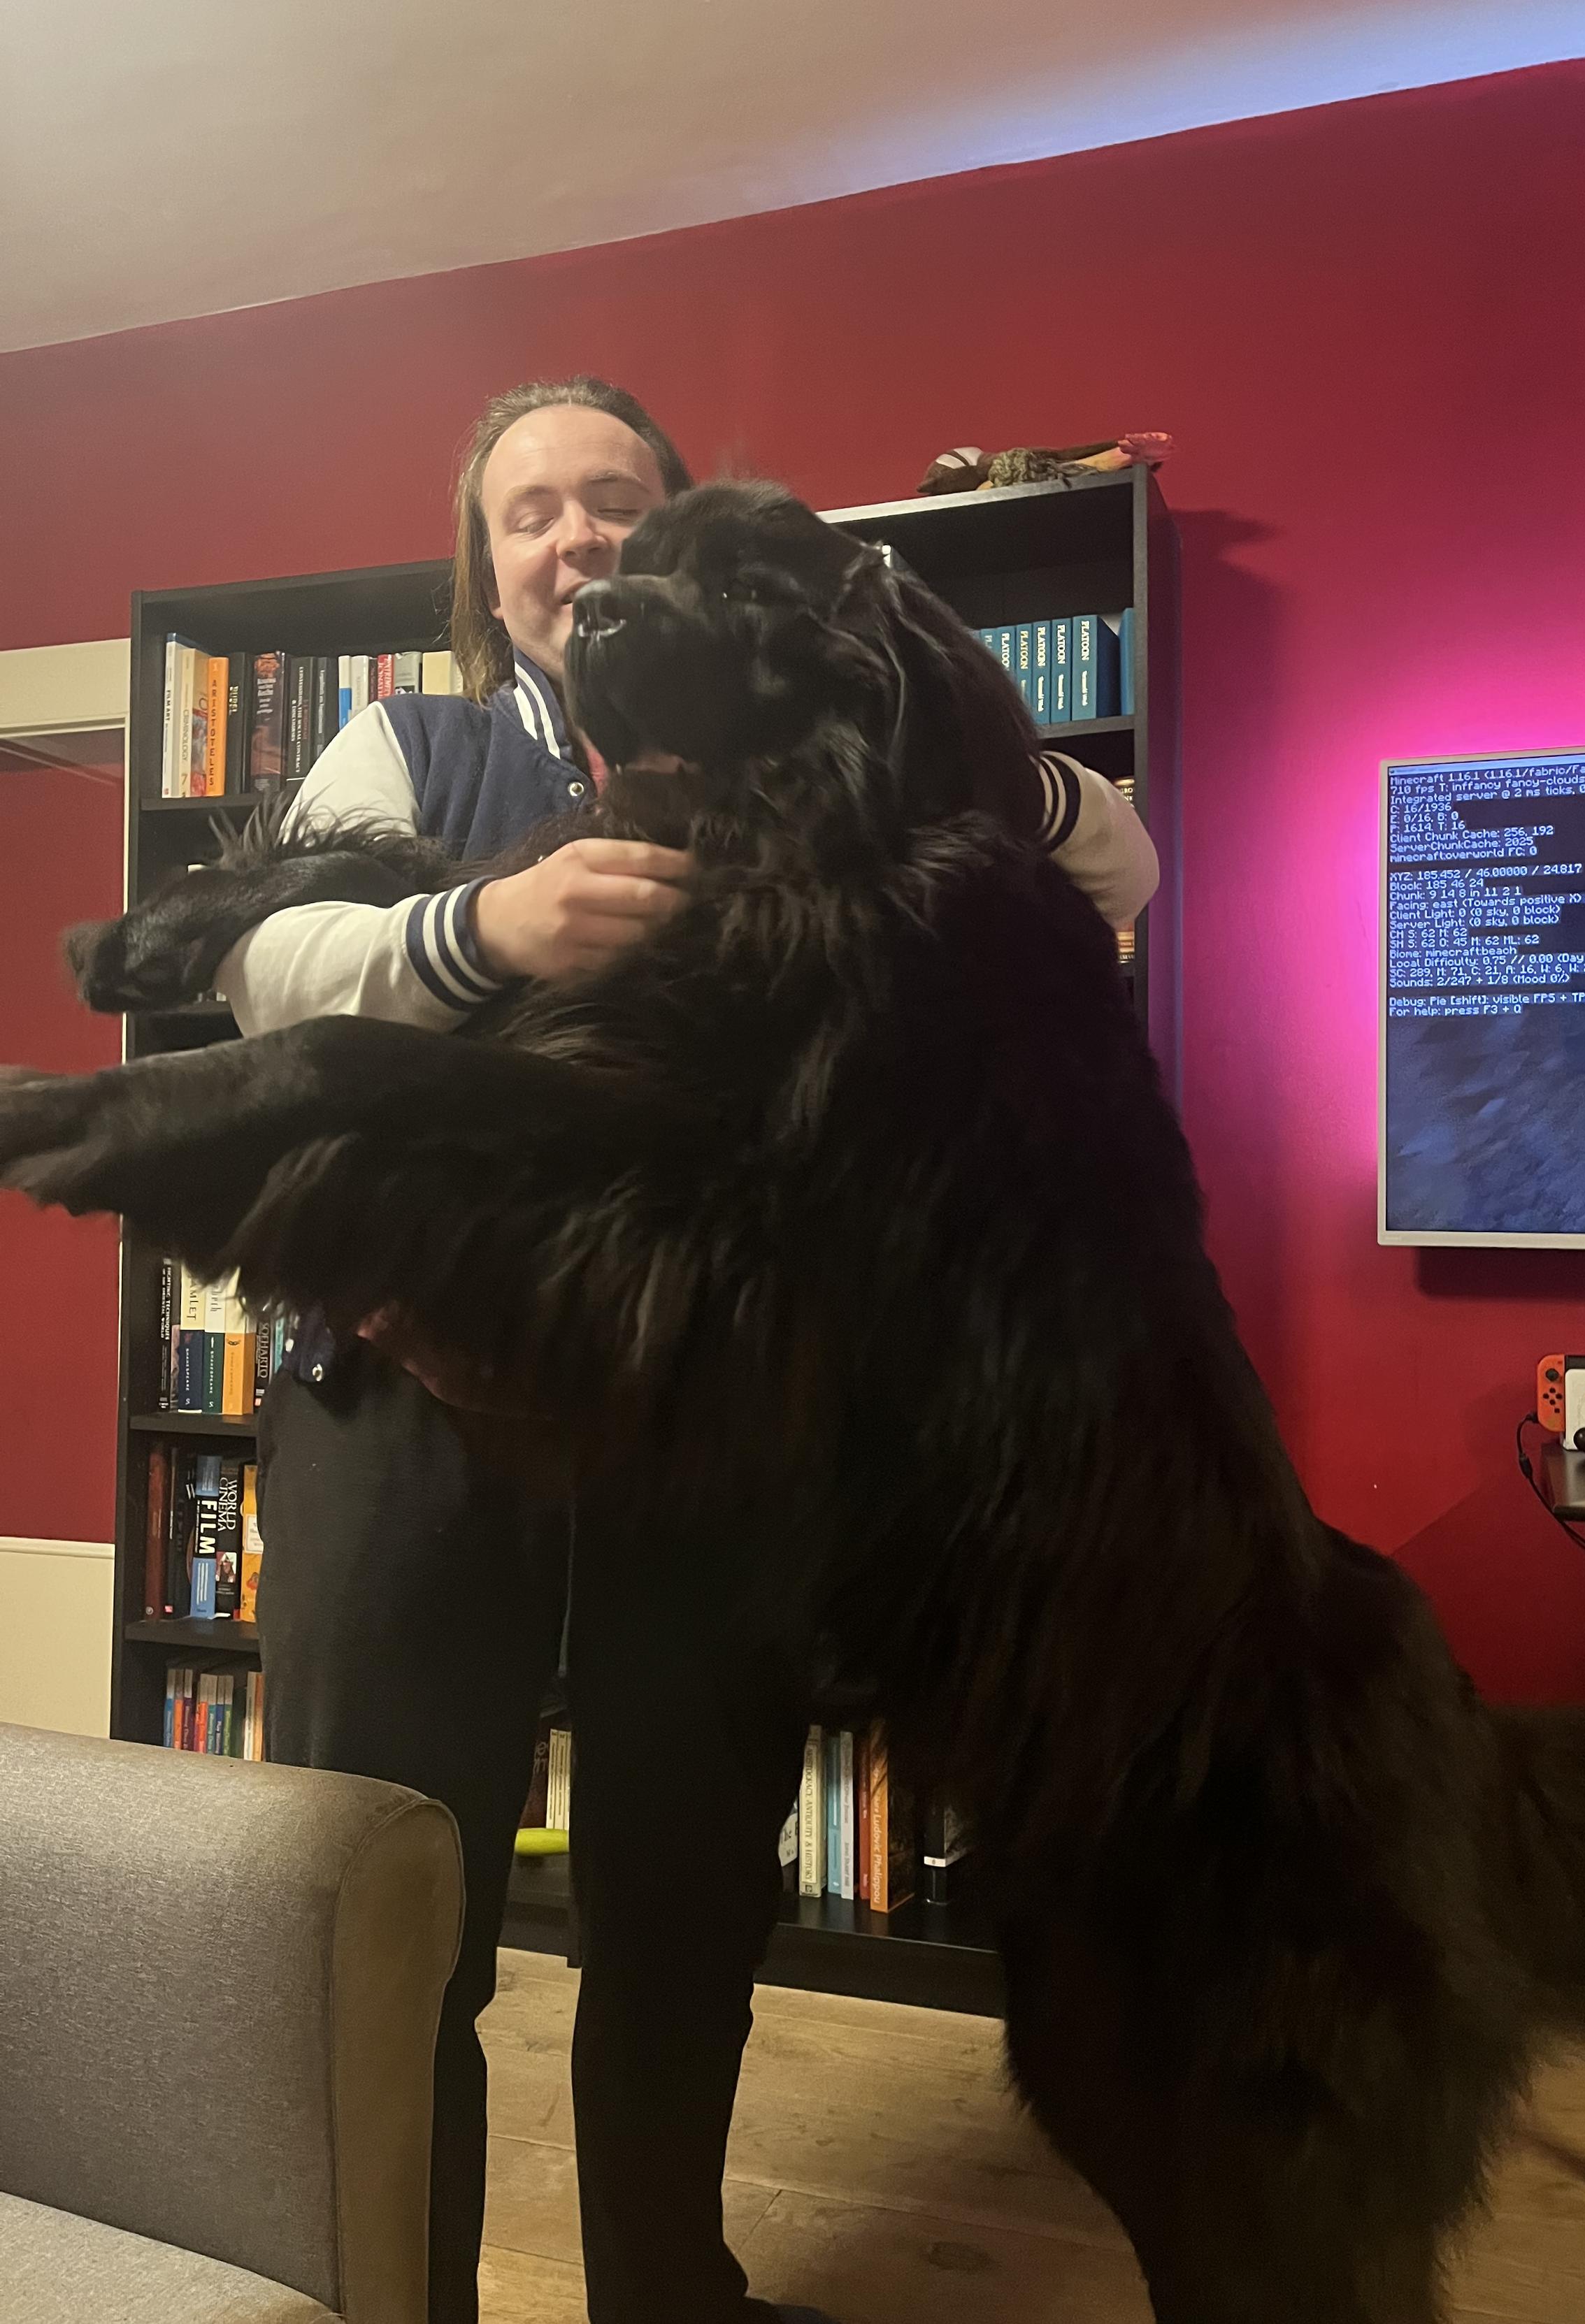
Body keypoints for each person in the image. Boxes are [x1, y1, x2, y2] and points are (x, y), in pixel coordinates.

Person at [220, 375, 1160, 2324]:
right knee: (391, 1906)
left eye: (617, 503)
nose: (576, 537)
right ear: (486, 575)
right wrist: (491, 926)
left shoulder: (841, 746)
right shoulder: (407, 744)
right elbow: (257, 963)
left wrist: (983, 753)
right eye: (530, 512)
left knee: (687, 1903)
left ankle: (669, 2293)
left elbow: (1124, 867)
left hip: (703, 1413)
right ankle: (388, 2303)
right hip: (400, 1400)